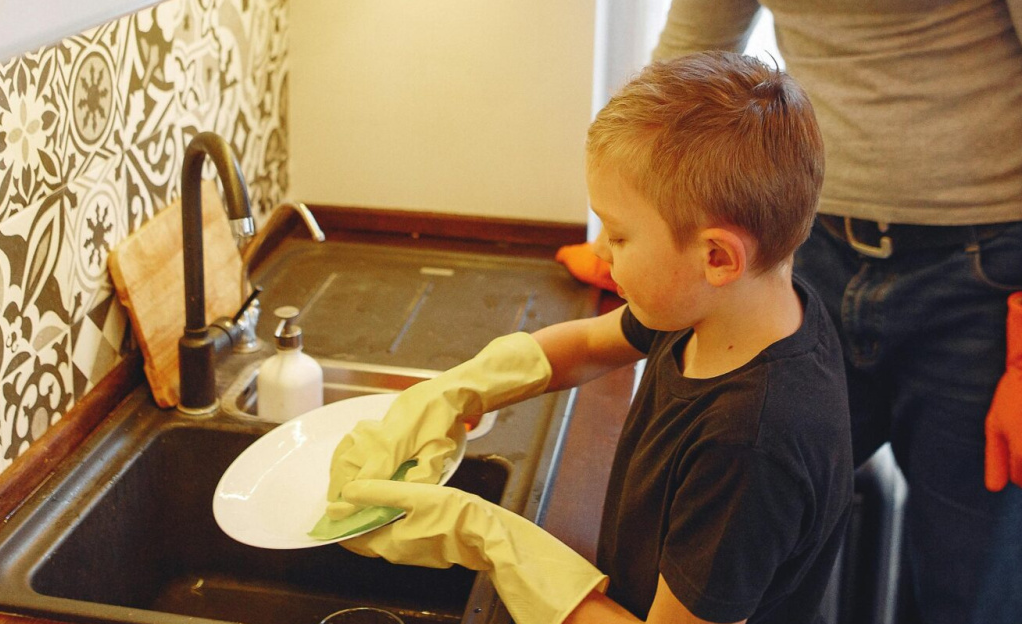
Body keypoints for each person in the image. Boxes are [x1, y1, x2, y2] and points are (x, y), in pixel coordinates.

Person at [321, 51, 853, 624]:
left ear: (717, 257)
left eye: (619, 236)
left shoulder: (749, 446)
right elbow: (591, 345)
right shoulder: (732, 306)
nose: (600, 250)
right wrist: (462, 390)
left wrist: (493, 539)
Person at [649, 2, 1022, 622]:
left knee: (969, 598)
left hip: (986, 276)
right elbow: (692, 53)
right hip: (802, 250)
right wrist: (630, 232)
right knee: (739, 561)